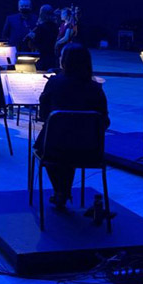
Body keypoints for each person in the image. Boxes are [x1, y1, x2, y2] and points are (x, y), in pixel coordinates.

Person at [36, 43, 109, 209]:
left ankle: (61, 191)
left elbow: (43, 114)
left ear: (65, 61)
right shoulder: (96, 88)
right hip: (90, 149)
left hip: (56, 148)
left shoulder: (54, 83)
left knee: (49, 146)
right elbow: (105, 121)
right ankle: (63, 191)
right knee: (72, 144)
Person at [29, 4, 59, 71]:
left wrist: (32, 37)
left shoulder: (40, 28)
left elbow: (35, 44)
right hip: (52, 57)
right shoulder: (55, 27)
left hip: (42, 57)